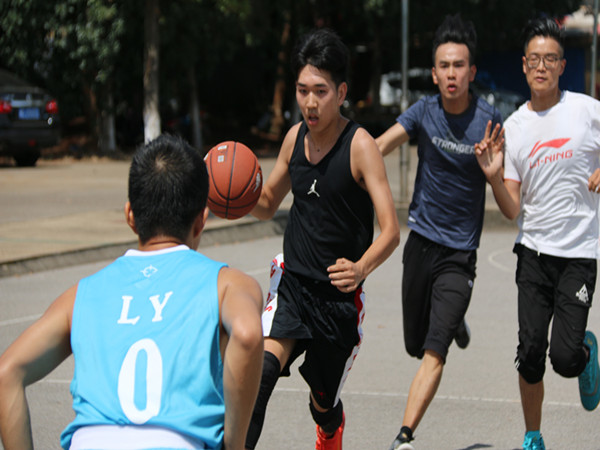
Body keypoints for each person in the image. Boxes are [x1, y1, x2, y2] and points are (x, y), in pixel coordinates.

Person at [0, 135, 264, 450]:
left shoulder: (82, 294)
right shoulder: (228, 284)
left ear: (130, 216)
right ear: (201, 221)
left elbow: (7, 373)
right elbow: (247, 335)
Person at [245, 28, 400, 449]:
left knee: (322, 403)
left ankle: (330, 426)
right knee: (258, 379)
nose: (310, 103)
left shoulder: (360, 146)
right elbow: (266, 203)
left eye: (321, 91)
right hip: (293, 286)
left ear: (341, 92)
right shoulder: (294, 138)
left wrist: (361, 267)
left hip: (336, 299)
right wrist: (231, 193)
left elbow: (391, 231)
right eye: (302, 91)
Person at [375, 14, 505, 450]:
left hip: (459, 254)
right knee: (415, 343)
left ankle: (403, 438)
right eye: (444, 66)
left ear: (472, 71)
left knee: (435, 351)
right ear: (434, 73)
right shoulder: (424, 112)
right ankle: (453, 323)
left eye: (459, 65)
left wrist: (493, 171)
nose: (452, 74)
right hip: (421, 245)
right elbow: (379, 146)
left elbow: (505, 190)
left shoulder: (488, 121)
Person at [475, 17, 600, 450]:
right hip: (533, 254)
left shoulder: (586, 110)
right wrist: (494, 177)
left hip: (579, 253)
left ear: (562, 66)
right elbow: (512, 209)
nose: (541, 66)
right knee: (530, 353)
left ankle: (584, 353)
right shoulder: (513, 128)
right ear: (524, 65)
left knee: (563, 359)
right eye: (534, 59)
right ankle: (533, 436)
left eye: (550, 59)